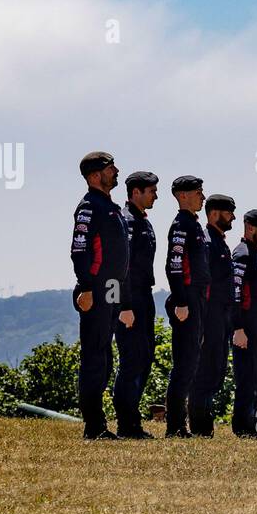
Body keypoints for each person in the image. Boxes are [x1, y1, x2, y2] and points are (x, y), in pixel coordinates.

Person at [70, 151, 132, 441]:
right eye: (110, 168)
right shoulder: (89, 207)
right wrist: (85, 288)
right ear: (95, 175)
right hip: (94, 290)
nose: (116, 171)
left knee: (105, 357)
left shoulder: (110, 206)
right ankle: (93, 426)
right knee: (94, 357)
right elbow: (80, 250)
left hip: (111, 290)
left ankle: (100, 425)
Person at [112, 170, 159, 439]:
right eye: (151, 191)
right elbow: (123, 268)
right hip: (131, 299)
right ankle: (126, 424)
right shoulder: (128, 221)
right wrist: (125, 305)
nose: (156, 196)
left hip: (145, 296)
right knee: (132, 360)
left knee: (145, 358)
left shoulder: (142, 220)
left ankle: (132, 423)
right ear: (136, 192)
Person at [162, 176, 209, 438]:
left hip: (197, 299)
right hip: (187, 299)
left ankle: (181, 424)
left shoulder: (194, 224)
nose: (203, 197)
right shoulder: (181, 225)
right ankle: (175, 426)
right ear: (183, 196)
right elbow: (175, 265)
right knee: (184, 364)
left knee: (191, 363)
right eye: (198, 192)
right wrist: (181, 301)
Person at [190, 194, 236, 436]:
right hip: (210, 316)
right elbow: (202, 283)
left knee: (216, 370)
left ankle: (204, 423)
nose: (233, 218)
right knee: (205, 371)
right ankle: (199, 426)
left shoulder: (220, 241)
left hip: (222, 316)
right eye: (229, 213)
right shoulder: (208, 241)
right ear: (215, 213)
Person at [230, 209, 257, 437]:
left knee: (256, 379)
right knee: (247, 379)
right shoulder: (242, 254)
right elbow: (235, 292)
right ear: (249, 228)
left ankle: (256, 428)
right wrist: (237, 327)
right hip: (246, 327)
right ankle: (243, 428)